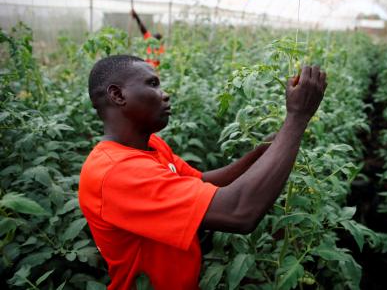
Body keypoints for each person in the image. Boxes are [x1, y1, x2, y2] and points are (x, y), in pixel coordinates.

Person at [78, 55, 327, 289]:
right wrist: (297, 117)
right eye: (152, 84)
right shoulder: (116, 173)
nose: (164, 95)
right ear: (117, 95)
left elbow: (204, 183)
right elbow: (239, 212)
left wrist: (264, 149)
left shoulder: (149, 146)